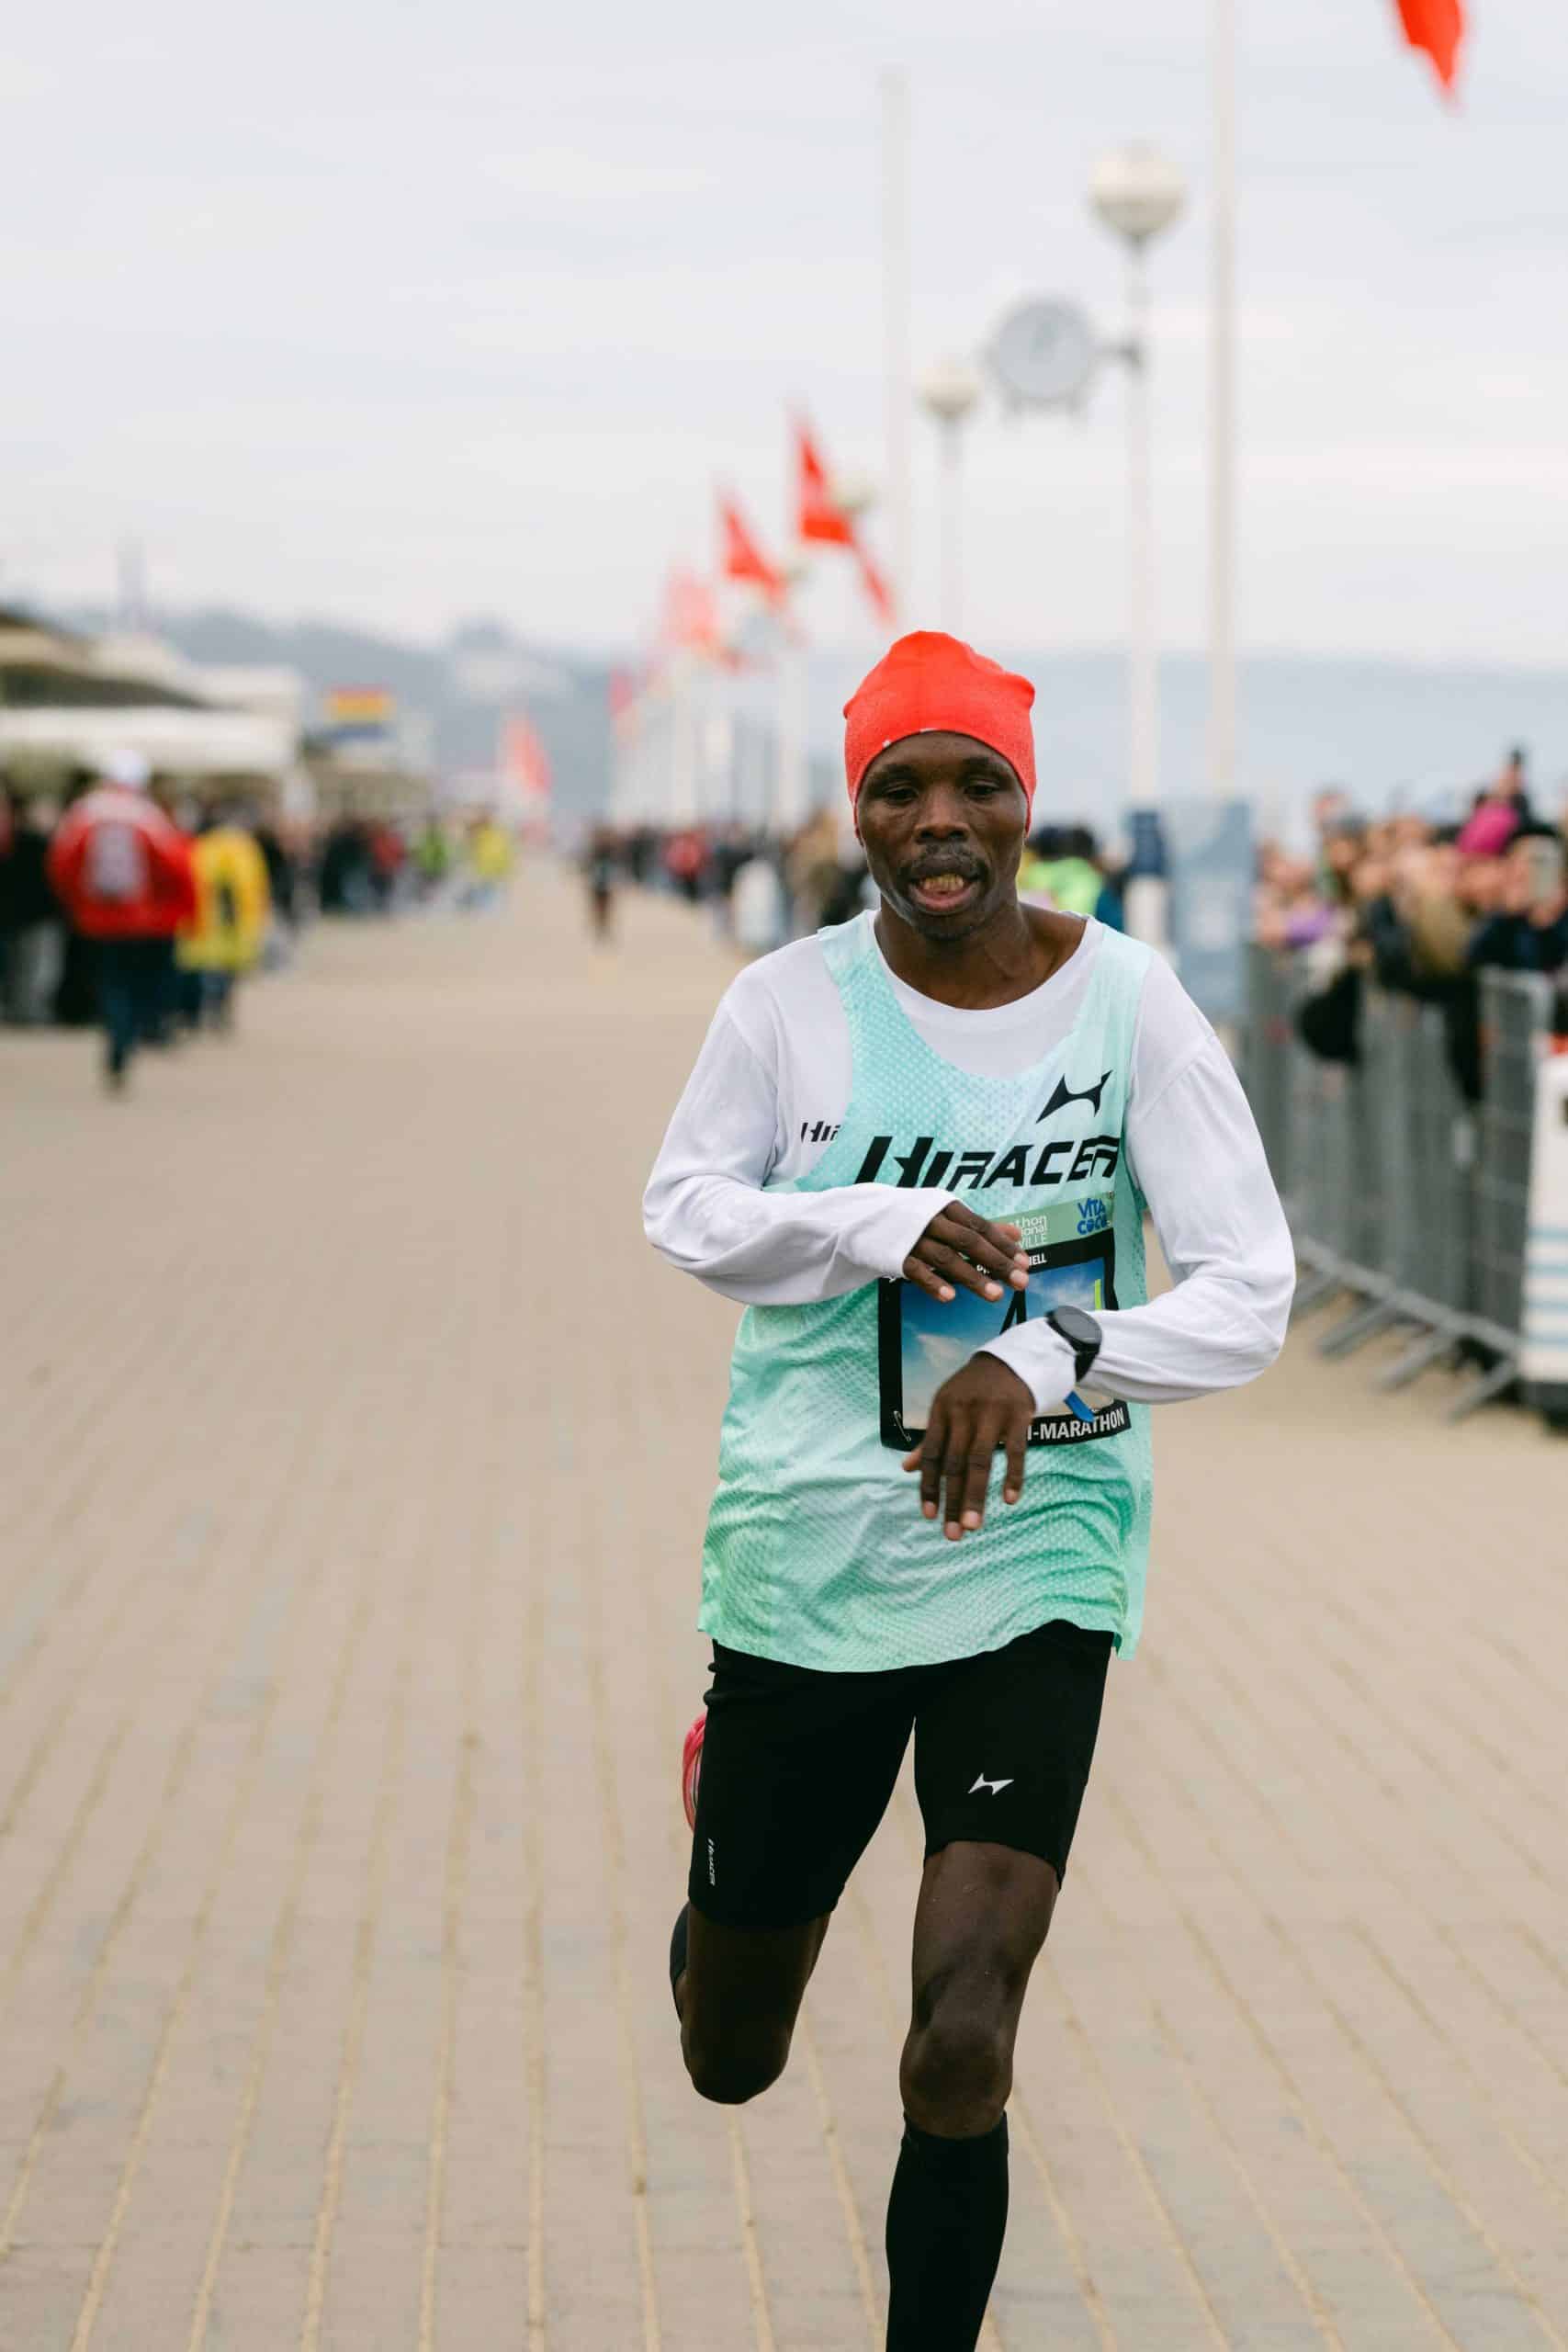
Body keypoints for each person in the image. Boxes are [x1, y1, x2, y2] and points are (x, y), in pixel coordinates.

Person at [643, 631, 1294, 2350]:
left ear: (1026, 804)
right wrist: (866, 1220)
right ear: (854, 813)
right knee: (732, 2055)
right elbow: (685, 1207)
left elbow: (1247, 1290)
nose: (938, 820)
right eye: (896, 787)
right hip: (811, 1554)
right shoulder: (784, 1004)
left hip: (1038, 1552)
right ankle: (720, 1856)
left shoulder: (1132, 1004)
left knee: (963, 2035)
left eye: (974, 783)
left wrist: (1054, 1355)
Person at [46, 749, 197, 1088]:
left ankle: (116, 1037)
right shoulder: (149, 817)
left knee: (111, 982)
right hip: (141, 920)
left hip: (97, 919)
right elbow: (176, 869)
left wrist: (76, 903)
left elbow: (62, 864)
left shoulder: (84, 813)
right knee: (133, 982)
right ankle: (124, 1038)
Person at [177, 802, 273, 1028]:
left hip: (207, 919)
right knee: (227, 972)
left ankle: (199, 1011)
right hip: (235, 920)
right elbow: (257, 883)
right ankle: (220, 1010)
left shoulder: (203, 846)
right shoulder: (244, 848)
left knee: (204, 969)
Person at [0, 790, 67, 1024]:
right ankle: (26, 1009)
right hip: (28, 916)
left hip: (31, 915)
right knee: (30, 966)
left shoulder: (28, 842)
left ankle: (28, 1009)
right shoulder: (29, 843)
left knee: (32, 966)